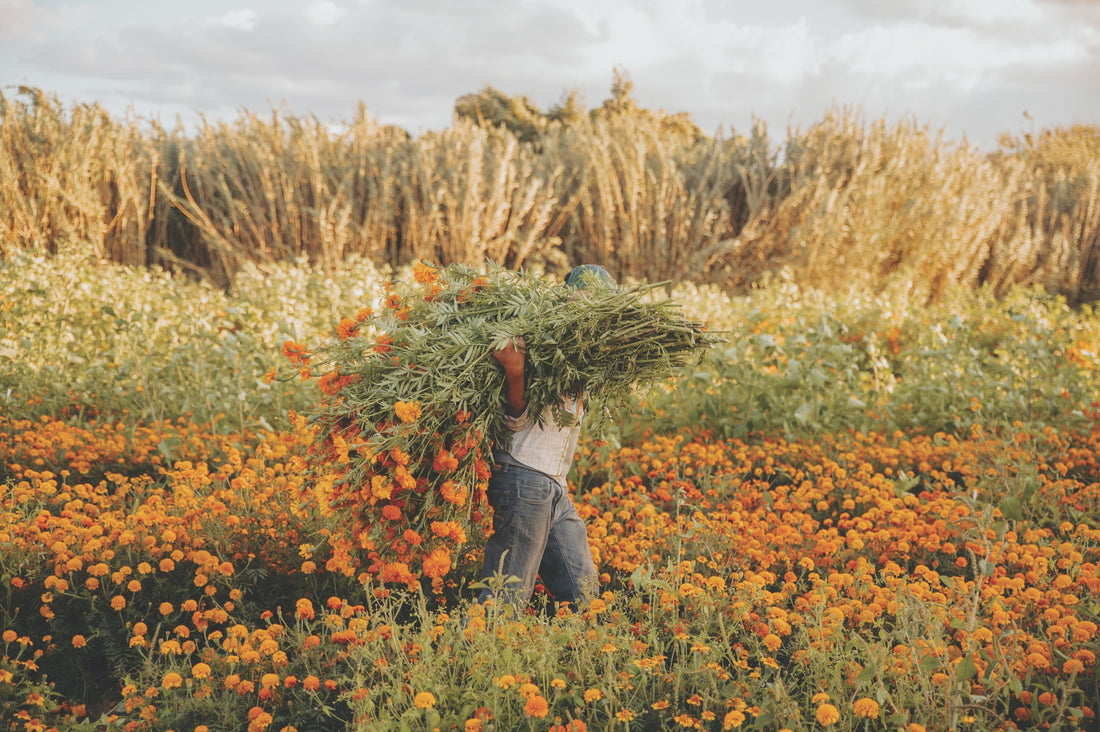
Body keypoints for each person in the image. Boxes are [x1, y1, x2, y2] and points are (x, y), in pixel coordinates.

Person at [476, 264, 615, 612]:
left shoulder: (584, 355)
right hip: (523, 477)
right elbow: (515, 417)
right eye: (582, 303)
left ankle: (566, 656)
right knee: (504, 602)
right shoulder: (543, 339)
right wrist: (515, 370)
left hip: (553, 485)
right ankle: (470, 657)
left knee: (582, 595)